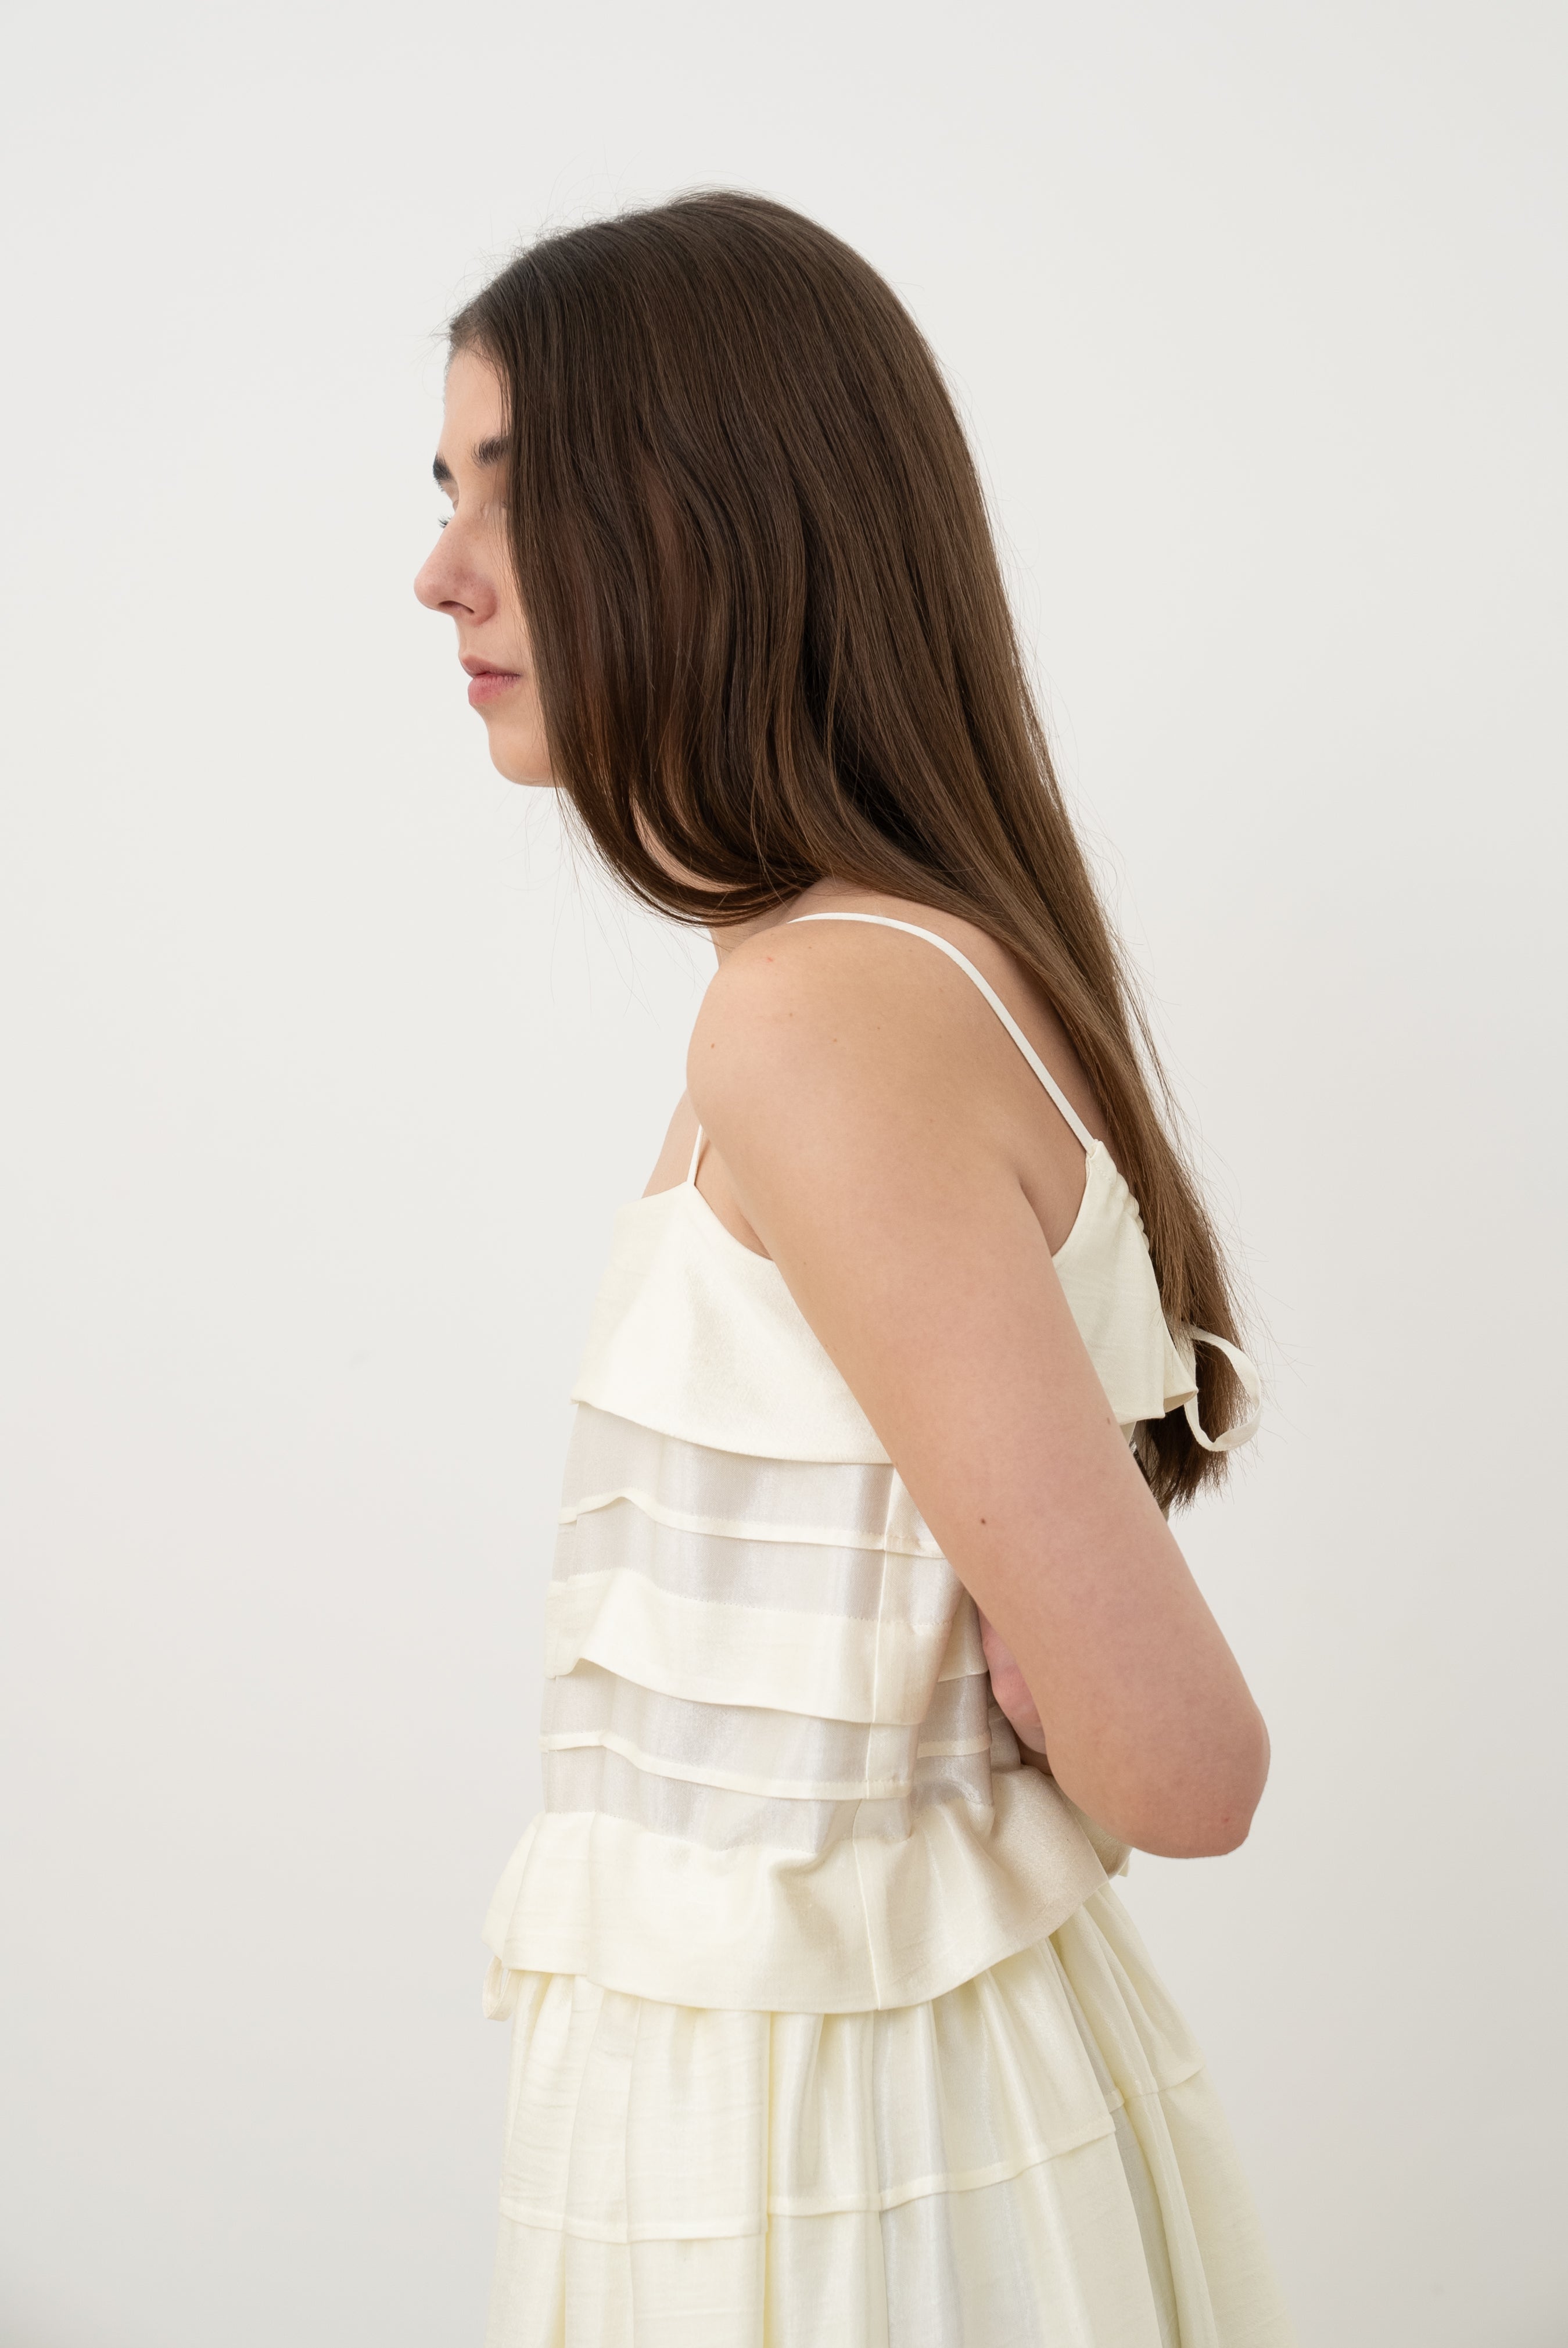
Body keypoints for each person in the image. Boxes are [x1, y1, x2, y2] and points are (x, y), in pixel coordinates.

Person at [415, 190, 1294, 2348]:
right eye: (443, 498)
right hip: (853, 2118)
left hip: (845, 2181)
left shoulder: (815, 1016)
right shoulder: (884, 974)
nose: (442, 572)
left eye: (514, 494)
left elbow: (1184, 1761)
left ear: (715, 518)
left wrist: (1045, 1674)